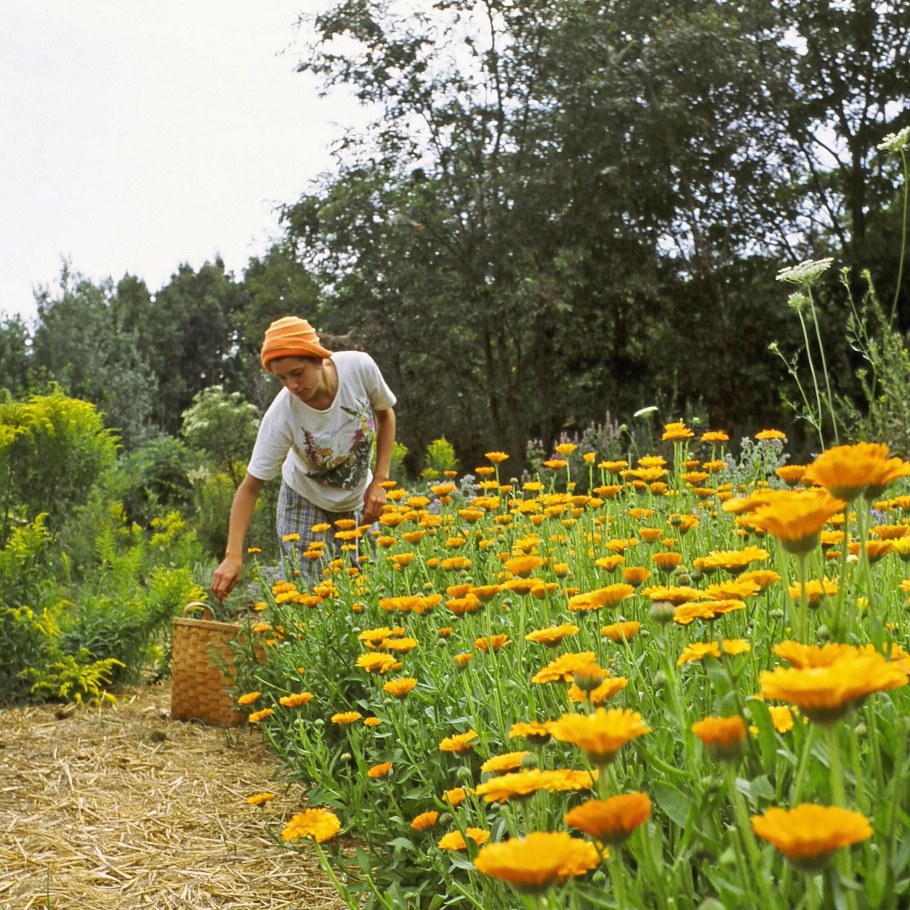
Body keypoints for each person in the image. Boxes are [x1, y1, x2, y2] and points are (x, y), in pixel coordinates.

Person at [211, 316, 396, 599]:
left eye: (298, 373)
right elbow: (250, 488)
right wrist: (233, 556)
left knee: (370, 593)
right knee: (312, 598)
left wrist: (380, 481)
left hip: (358, 497)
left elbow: (385, 415)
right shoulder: (282, 415)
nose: (292, 386)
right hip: (304, 500)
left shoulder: (359, 369)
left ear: (319, 359)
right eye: (282, 378)